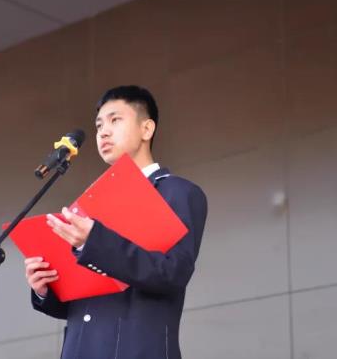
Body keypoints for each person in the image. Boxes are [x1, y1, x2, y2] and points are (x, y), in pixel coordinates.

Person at [24, 85, 208, 359]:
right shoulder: (91, 207)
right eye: (99, 125)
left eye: (115, 120)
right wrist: (45, 289)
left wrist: (94, 242)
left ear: (147, 129)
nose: (103, 132)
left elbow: (173, 273)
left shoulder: (177, 192)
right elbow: (83, 306)